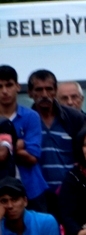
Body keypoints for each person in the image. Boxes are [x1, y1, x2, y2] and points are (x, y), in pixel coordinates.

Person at [26, 69, 86, 213]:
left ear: (55, 91)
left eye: (49, 89)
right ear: (30, 93)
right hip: (37, 197)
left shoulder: (74, 118)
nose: (44, 94)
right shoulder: (26, 120)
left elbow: (84, 156)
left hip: (71, 194)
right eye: (39, 90)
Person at [0, 65, 47, 210]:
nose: (4, 91)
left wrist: (6, 146)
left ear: (18, 87)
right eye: (0, 86)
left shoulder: (31, 116)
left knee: (38, 224)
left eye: (9, 85)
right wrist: (19, 144)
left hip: (31, 189)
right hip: (2, 191)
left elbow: (32, 157)